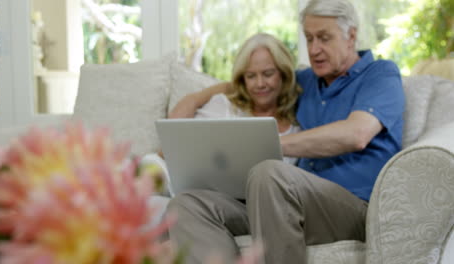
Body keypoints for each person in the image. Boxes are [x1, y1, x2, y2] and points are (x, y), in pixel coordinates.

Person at [166, 0, 406, 263]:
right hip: (286, 202)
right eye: (309, 38)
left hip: (353, 207)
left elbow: (356, 134)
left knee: (268, 173)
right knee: (188, 204)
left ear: (351, 36)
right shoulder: (306, 81)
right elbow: (253, 81)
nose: (314, 50)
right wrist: (201, 94)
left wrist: (270, 143)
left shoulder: (381, 74)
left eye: (324, 38)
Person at [141, 32, 301, 198]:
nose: (260, 84)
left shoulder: (299, 122)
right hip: (203, 190)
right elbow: (176, 149)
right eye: (251, 76)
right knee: (150, 168)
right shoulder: (225, 106)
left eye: (268, 74)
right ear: (242, 78)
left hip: (257, 202)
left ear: (283, 74)